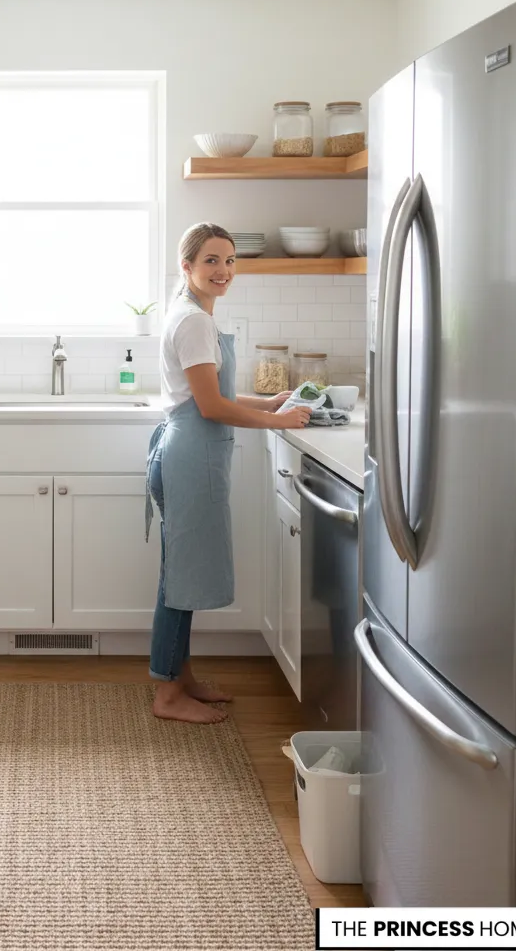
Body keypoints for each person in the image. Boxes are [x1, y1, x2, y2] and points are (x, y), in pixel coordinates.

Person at [145, 223, 311, 724]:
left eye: (231, 260)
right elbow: (211, 406)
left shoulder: (193, 315)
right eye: (212, 260)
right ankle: (167, 695)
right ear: (187, 266)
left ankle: (181, 678)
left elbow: (210, 395)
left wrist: (267, 401)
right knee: (182, 578)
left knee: (184, 575)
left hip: (191, 453)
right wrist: (275, 421)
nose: (223, 271)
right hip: (192, 458)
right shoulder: (194, 322)